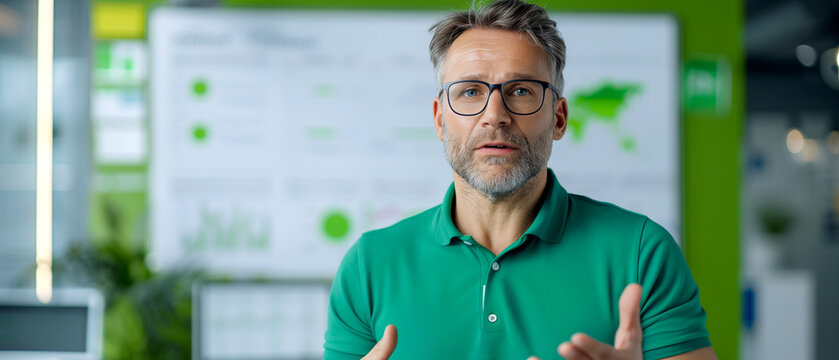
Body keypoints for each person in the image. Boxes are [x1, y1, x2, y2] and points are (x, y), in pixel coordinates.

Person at [324, 0, 718, 359]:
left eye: (522, 90)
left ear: (559, 118)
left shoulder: (642, 253)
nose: (495, 114)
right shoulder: (368, 265)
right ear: (440, 119)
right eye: (470, 91)